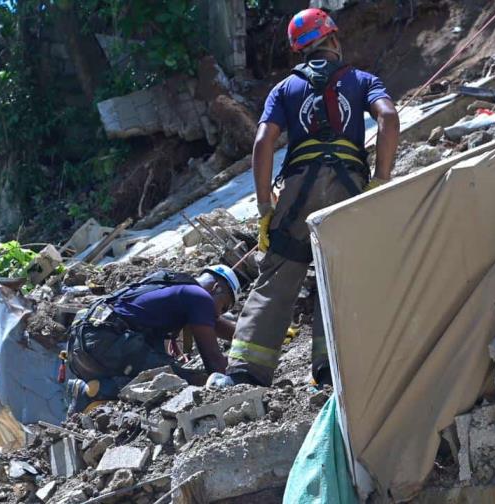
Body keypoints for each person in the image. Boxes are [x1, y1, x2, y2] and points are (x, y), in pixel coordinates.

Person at [224, 8, 399, 387]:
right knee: (337, 271)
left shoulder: (285, 89)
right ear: (333, 38)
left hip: (297, 190)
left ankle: (245, 371)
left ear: (299, 51)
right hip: (348, 189)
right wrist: (382, 179)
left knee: (278, 273)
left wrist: (265, 207)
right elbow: (388, 117)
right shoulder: (361, 79)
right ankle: (327, 366)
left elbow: (263, 142)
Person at [65, 265, 241, 414]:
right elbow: (213, 361)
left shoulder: (171, 286)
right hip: (107, 342)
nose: (219, 314)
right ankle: (96, 392)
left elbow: (216, 324)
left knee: (150, 381)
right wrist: (243, 381)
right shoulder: (200, 297)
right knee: (180, 382)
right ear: (217, 287)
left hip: (83, 347)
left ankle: (94, 389)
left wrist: (249, 337)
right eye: (224, 306)